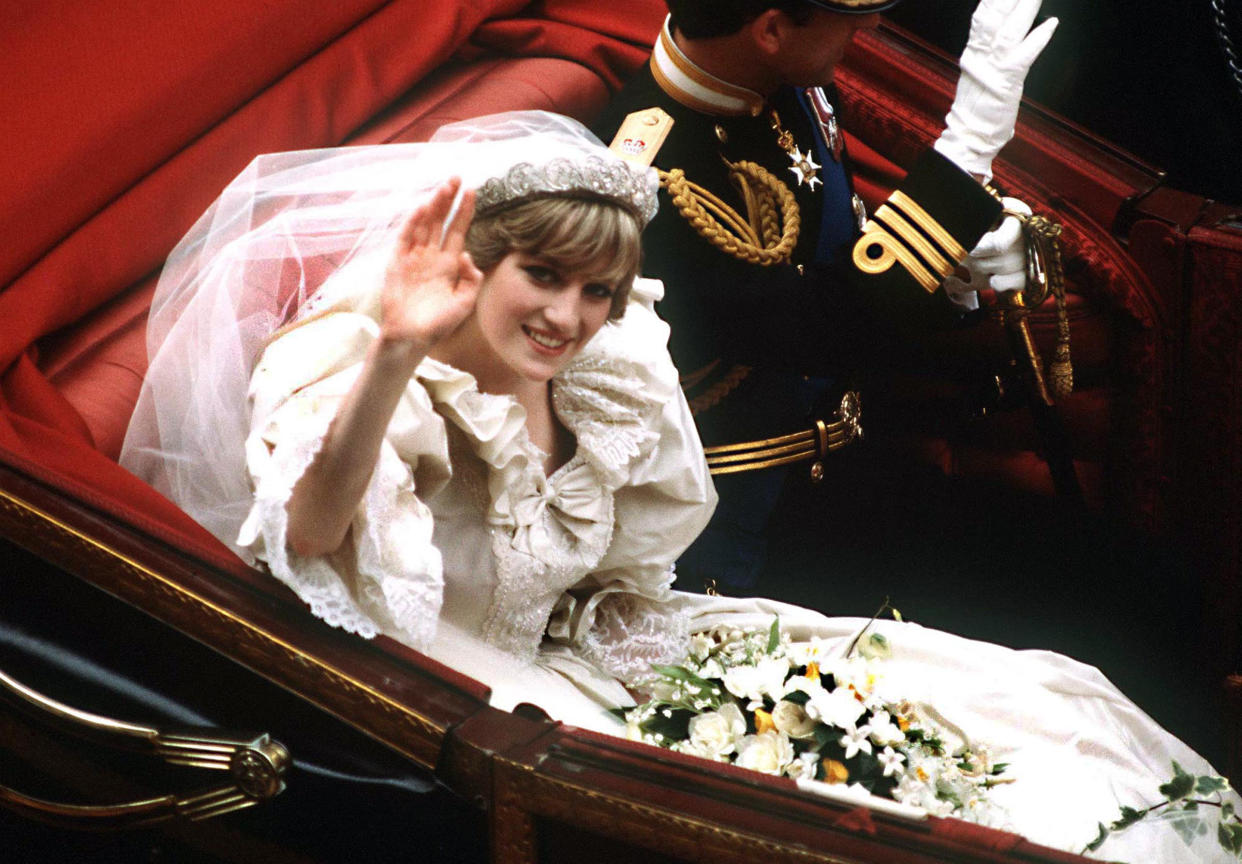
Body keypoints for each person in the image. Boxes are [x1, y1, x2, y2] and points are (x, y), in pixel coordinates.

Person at [121, 112, 1232, 862]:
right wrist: (398, 354)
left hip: (607, 643)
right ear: (474, 262)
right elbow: (314, 535)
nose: (568, 317)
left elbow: (621, 555)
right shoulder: (357, 376)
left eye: (597, 289)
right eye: (541, 277)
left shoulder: (601, 365)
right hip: (480, 710)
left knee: (1009, 722)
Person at [592, 0, 1056, 592]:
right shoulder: (646, 184)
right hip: (739, 539)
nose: (871, 25)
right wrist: (965, 153)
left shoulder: (783, 83)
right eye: (849, 14)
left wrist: (953, 268)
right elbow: (819, 328)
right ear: (771, 29)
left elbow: (834, 259)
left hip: (855, 472)